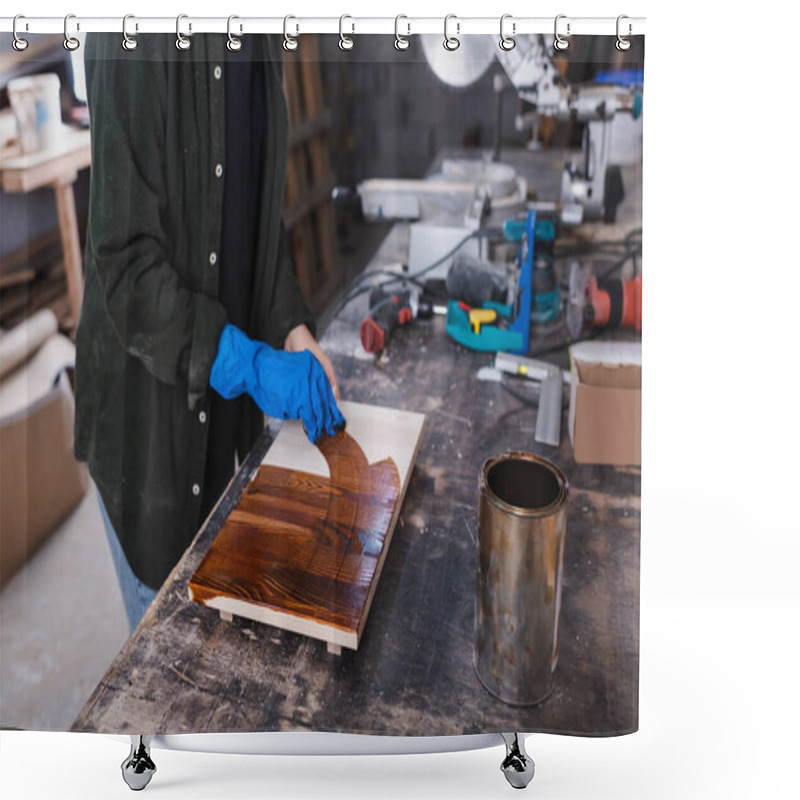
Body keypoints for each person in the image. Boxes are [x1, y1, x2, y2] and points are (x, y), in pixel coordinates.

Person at [75, 33, 344, 632]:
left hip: (222, 414)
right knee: (171, 662)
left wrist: (292, 328)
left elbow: (251, 208)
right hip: (147, 431)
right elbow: (126, 264)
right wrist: (247, 363)